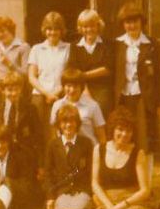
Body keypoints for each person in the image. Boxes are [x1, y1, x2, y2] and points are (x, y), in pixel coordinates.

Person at [113, 2, 160, 178]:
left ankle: (147, 184)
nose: (131, 25)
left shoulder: (151, 44)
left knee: (145, 141)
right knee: (125, 139)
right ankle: (129, 182)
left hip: (145, 98)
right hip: (123, 97)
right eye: (127, 22)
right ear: (123, 24)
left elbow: (159, 75)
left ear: (141, 22)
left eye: (135, 21)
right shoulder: (117, 44)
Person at [28, 11, 70, 150]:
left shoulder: (68, 48)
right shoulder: (37, 49)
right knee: (40, 132)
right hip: (40, 96)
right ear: (44, 30)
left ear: (62, 30)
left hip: (61, 94)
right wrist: (46, 93)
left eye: (56, 28)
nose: (53, 32)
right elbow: (32, 76)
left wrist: (56, 93)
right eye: (49, 29)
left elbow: (68, 75)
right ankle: (42, 167)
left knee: (59, 131)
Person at [44, 105, 93, 209]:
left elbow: (90, 171)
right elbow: (48, 174)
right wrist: (51, 197)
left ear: (77, 123)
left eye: (72, 121)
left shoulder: (86, 143)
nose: (68, 125)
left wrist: (89, 192)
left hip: (81, 190)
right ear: (59, 125)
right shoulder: (53, 145)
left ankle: (87, 203)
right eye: (64, 122)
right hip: (63, 191)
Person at [0, 71, 41, 168]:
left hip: (25, 154)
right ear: (2, 90)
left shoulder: (30, 109)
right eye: (9, 90)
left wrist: (40, 164)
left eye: (16, 89)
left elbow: (38, 135)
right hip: (3, 153)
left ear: (21, 89)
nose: (13, 93)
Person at [67, 9, 113, 117]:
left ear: (98, 26)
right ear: (80, 28)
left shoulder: (108, 44)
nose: (89, 29)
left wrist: (83, 75)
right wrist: (86, 93)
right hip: (81, 88)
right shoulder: (75, 46)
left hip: (103, 90)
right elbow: (73, 70)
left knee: (101, 113)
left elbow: (108, 69)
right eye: (85, 26)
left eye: (92, 26)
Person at [50, 68, 106, 145]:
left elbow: (101, 136)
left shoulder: (93, 106)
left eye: (76, 86)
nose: (72, 90)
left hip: (88, 150)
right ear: (63, 86)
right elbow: (54, 133)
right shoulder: (57, 105)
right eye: (69, 86)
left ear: (82, 87)